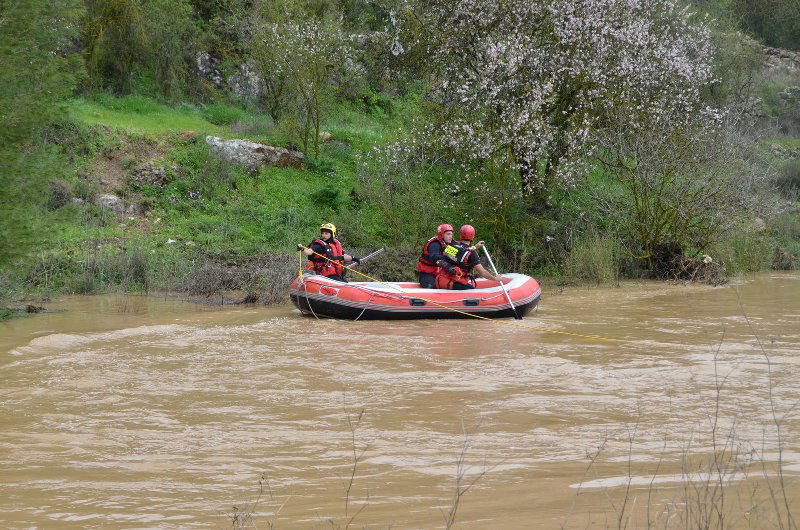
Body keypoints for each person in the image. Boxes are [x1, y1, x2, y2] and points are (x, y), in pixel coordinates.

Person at [435, 224, 506, 290]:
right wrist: (495, 278)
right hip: (454, 282)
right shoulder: (472, 254)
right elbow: (482, 272)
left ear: (460, 235)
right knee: (472, 290)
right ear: (473, 237)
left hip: (440, 280)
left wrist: (475, 247)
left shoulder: (452, 245)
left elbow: (461, 252)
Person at [417, 224, 454, 288]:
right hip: (427, 274)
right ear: (441, 234)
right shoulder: (435, 244)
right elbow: (433, 258)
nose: (450, 236)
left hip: (439, 273)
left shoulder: (447, 244)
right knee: (432, 286)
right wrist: (447, 257)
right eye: (448, 234)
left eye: (451, 234)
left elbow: (458, 255)